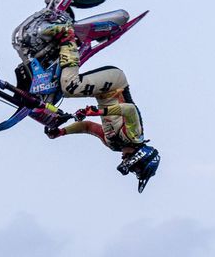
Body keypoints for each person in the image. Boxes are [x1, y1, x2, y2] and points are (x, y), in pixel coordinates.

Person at [42, 22, 160, 193]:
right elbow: (129, 109)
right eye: (136, 169)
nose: (130, 167)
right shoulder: (135, 136)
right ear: (141, 159)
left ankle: (48, 54)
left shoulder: (113, 145)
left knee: (54, 91)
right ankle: (67, 37)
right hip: (115, 83)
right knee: (70, 87)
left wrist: (62, 132)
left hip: (102, 91)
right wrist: (98, 112)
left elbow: (88, 127)